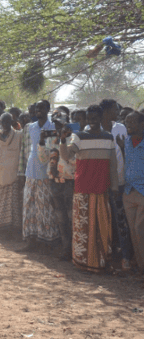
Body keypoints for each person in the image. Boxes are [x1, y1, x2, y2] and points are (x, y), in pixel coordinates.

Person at [61, 104, 118, 272]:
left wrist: (114, 187)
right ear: (86, 119)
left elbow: (113, 166)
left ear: (101, 119)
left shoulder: (108, 138)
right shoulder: (78, 137)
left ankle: (99, 261)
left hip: (102, 189)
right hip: (83, 189)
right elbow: (66, 156)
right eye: (89, 118)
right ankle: (82, 261)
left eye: (95, 118)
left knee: (102, 226)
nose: (92, 121)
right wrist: (62, 139)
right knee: (83, 228)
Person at [20, 100, 60, 251]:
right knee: (29, 207)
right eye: (37, 108)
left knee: (45, 208)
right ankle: (31, 242)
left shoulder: (54, 127)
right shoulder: (30, 127)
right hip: (31, 172)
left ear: (48, 109)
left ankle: (47, 243)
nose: (39, 110)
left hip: (46, 173)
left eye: (42, 108)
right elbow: (26, 149)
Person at [99, 99, 133, 270]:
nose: (118, 111)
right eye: (114, 108)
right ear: (105, 111)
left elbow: (128, 151)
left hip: (119, 181)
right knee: (104, 220)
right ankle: (104, 256)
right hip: (99, 182)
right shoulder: (93, 128)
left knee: (121, 222)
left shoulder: (120, 128)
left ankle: (126, 257)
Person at [0, 112, 23, 237]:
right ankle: (2, 231)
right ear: (0, 123)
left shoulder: (19, 135)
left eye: (8, 122)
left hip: (13, 175)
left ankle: (14, 232)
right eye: (3, 122)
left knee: (13, 206)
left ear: (12, 122)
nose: (5, 124)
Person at [120, 111, 144, 276]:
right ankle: (141, 266)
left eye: (132, 122)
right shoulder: (126, 142)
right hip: (128, 191)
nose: (128, 125)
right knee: (134, 231)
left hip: (142, 191)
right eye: (127, 122)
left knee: (139, 229)